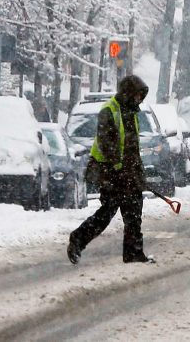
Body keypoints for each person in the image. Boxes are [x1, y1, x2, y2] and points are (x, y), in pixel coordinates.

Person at [67, 75, 155, 265]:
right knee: (107, 212)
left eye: (141, 96)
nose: (140, 99)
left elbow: (132, 147)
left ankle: (133, 253)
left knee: (134, 213)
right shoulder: (109, 111)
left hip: (128, 173)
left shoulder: (132, 113)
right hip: (110, 173)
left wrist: (137, 173)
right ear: (128, 93)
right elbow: (108, 145)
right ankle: (77, 239)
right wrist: (119, 169)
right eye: (138, 95)